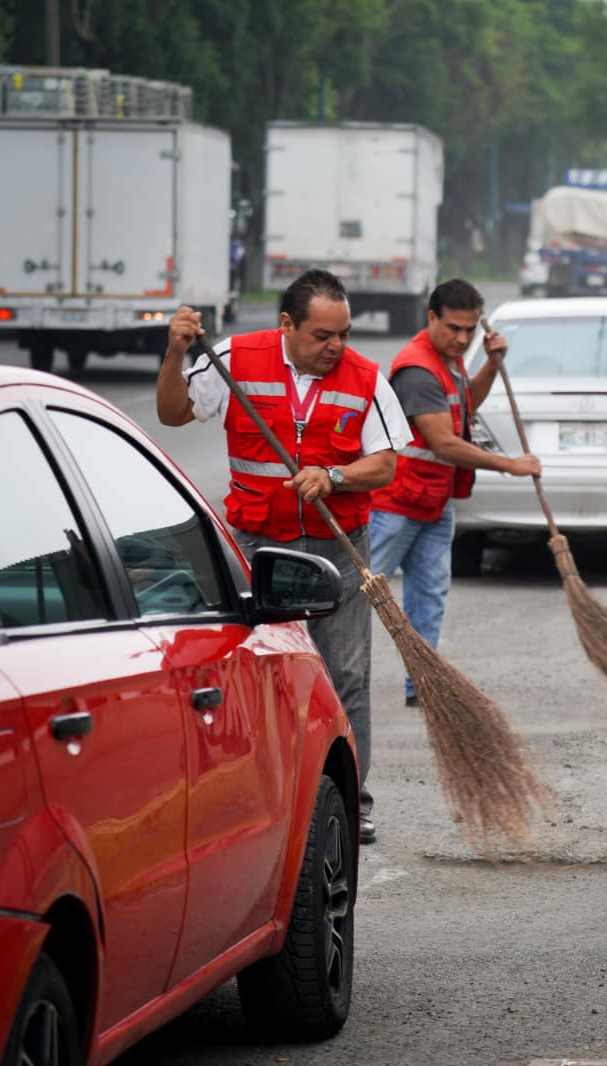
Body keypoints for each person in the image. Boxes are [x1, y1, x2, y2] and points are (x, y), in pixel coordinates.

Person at [157, 268, 408, 844]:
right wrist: (174, 354)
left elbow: (386, 463)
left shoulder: (366, 378)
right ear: (287, 325)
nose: (337, 347)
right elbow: (172, 413)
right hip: (256, 548)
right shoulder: (234, 359)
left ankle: (354, 800)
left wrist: (335, 475)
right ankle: (249, 793)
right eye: (323, 335)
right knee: (249, 676)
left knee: (345, 675)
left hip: (336, 549)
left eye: (343, 333)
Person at [369, 279, 541, 706]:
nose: (463, 339)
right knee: (356, 597)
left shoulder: (450, 359)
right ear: (431, 318)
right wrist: (510, 465)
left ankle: (423, 686)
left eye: (470, 331)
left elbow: (466, 406)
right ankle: (325, 679)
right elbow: (444, 442)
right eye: (453, 328)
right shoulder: (418, 368)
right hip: (396, 505)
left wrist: (490, 366)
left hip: (433, 501)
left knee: (429, 597)